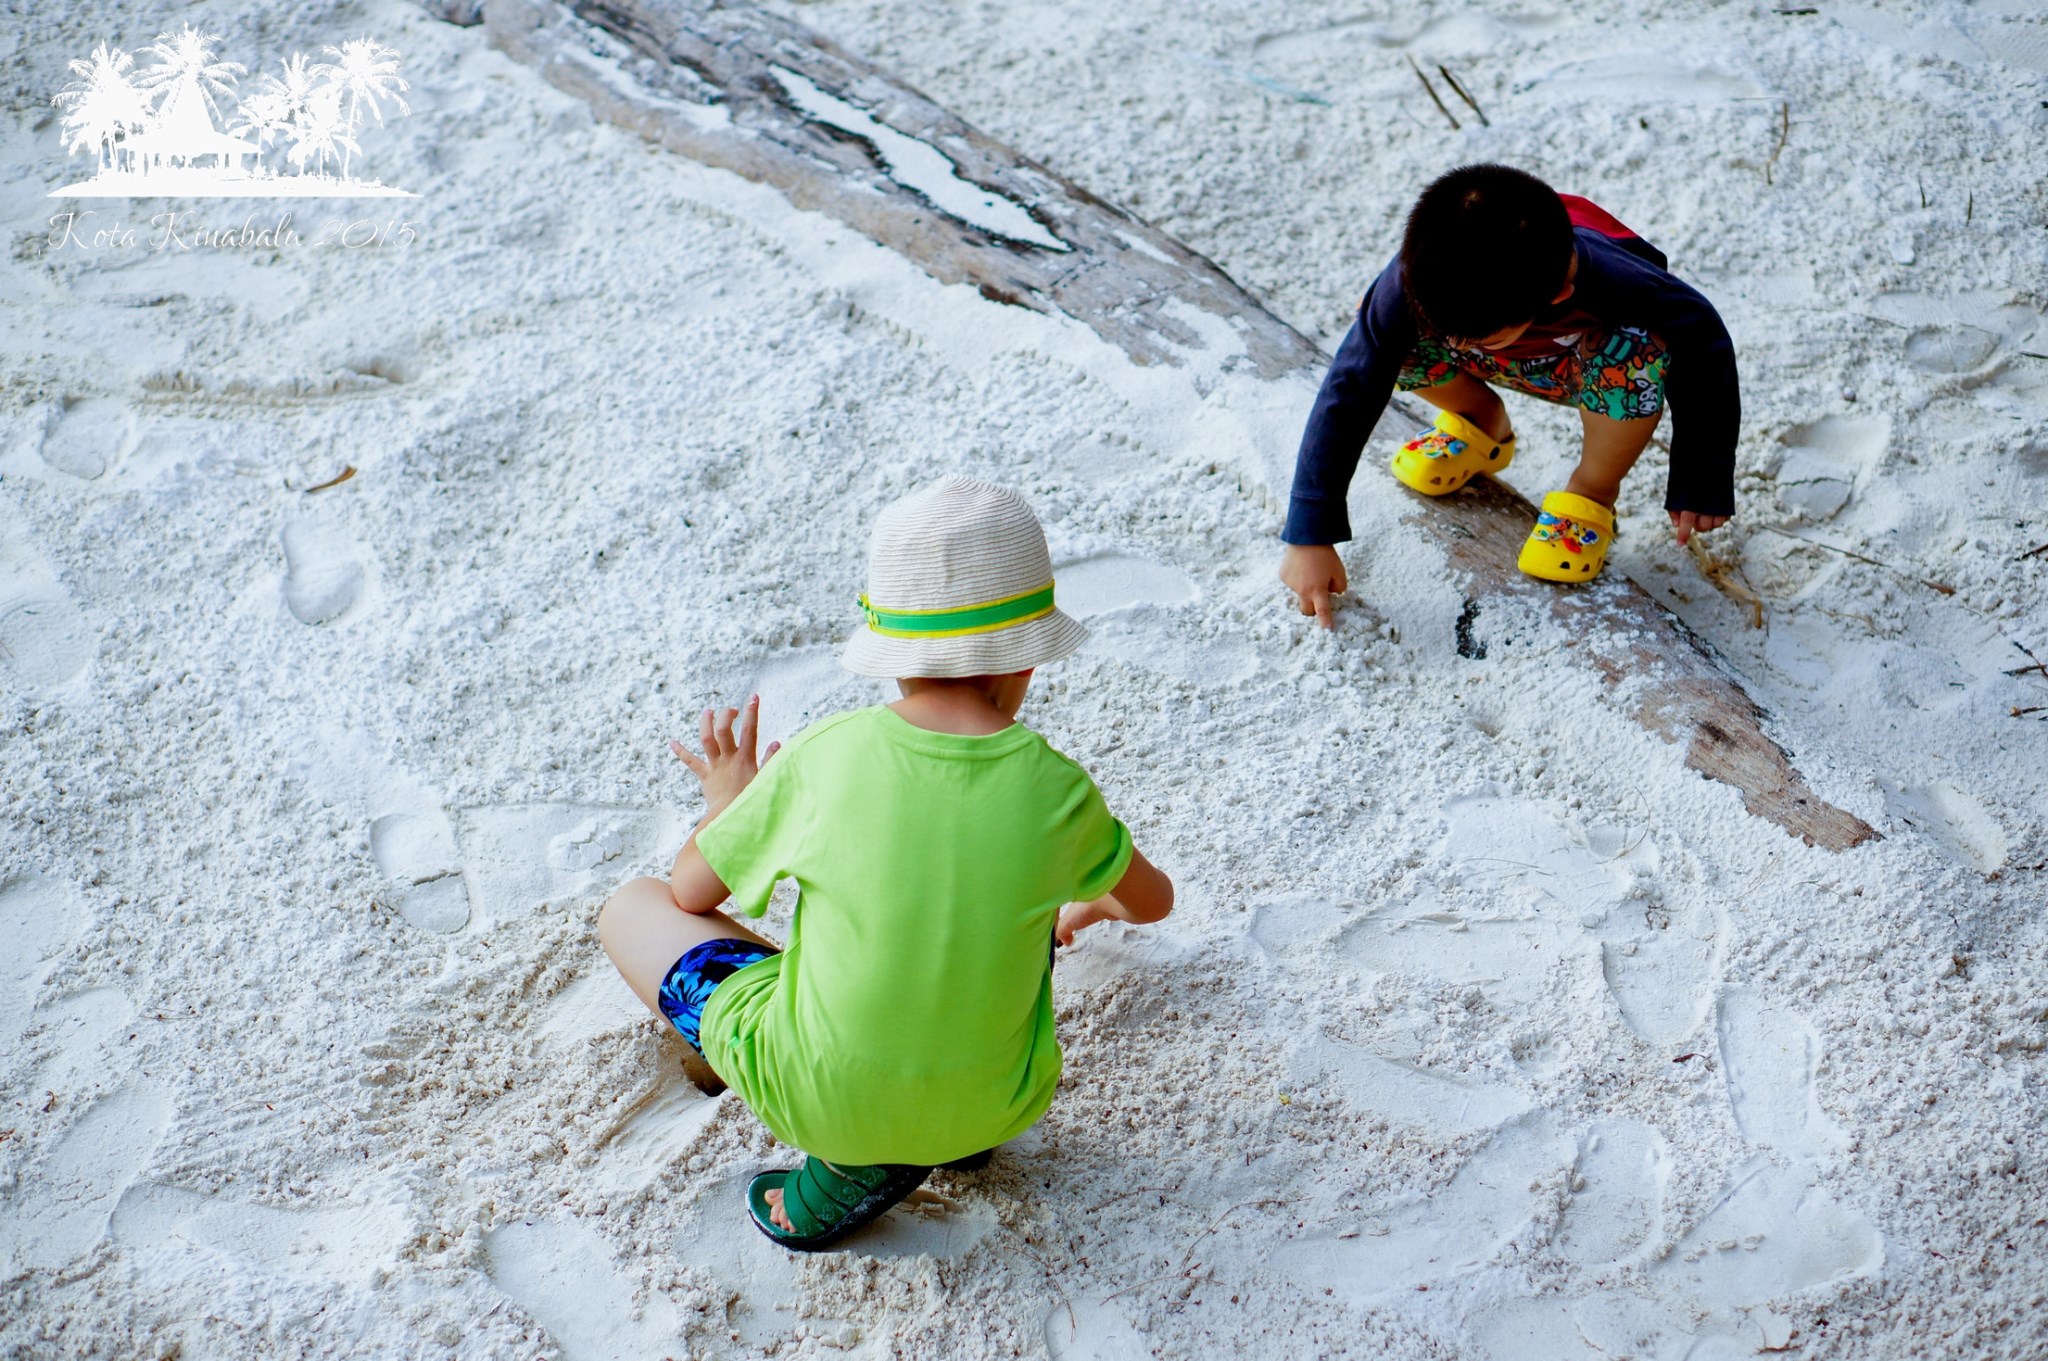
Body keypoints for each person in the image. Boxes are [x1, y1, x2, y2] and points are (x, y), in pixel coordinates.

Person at [597, 475, 1174, 1251]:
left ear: (891, 657)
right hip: (997, 1100)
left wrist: (727, 802)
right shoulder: (1058, 793)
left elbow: (691, 889)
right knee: (1001, 907)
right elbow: (1155, 900)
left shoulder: (826, 757)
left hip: (824, 1095)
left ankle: (847, 1163)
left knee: (632, 905)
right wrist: (1095, 901)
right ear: (1027, 663)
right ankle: (951, 1135)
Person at [1279, 163, 1740, 624]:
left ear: (1559, 292)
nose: (1455, 345)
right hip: (1502, 356)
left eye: (1477, 335)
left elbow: (1704, 341)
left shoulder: (1618, 280)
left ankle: (1593, 490)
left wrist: (1701, 476)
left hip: (1587, 370)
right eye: (1449, 333)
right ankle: (1481, 423)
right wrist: (1310, 533)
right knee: (1379, 328)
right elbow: (1351, 384)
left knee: (1637, 349)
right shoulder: (1413, 281)